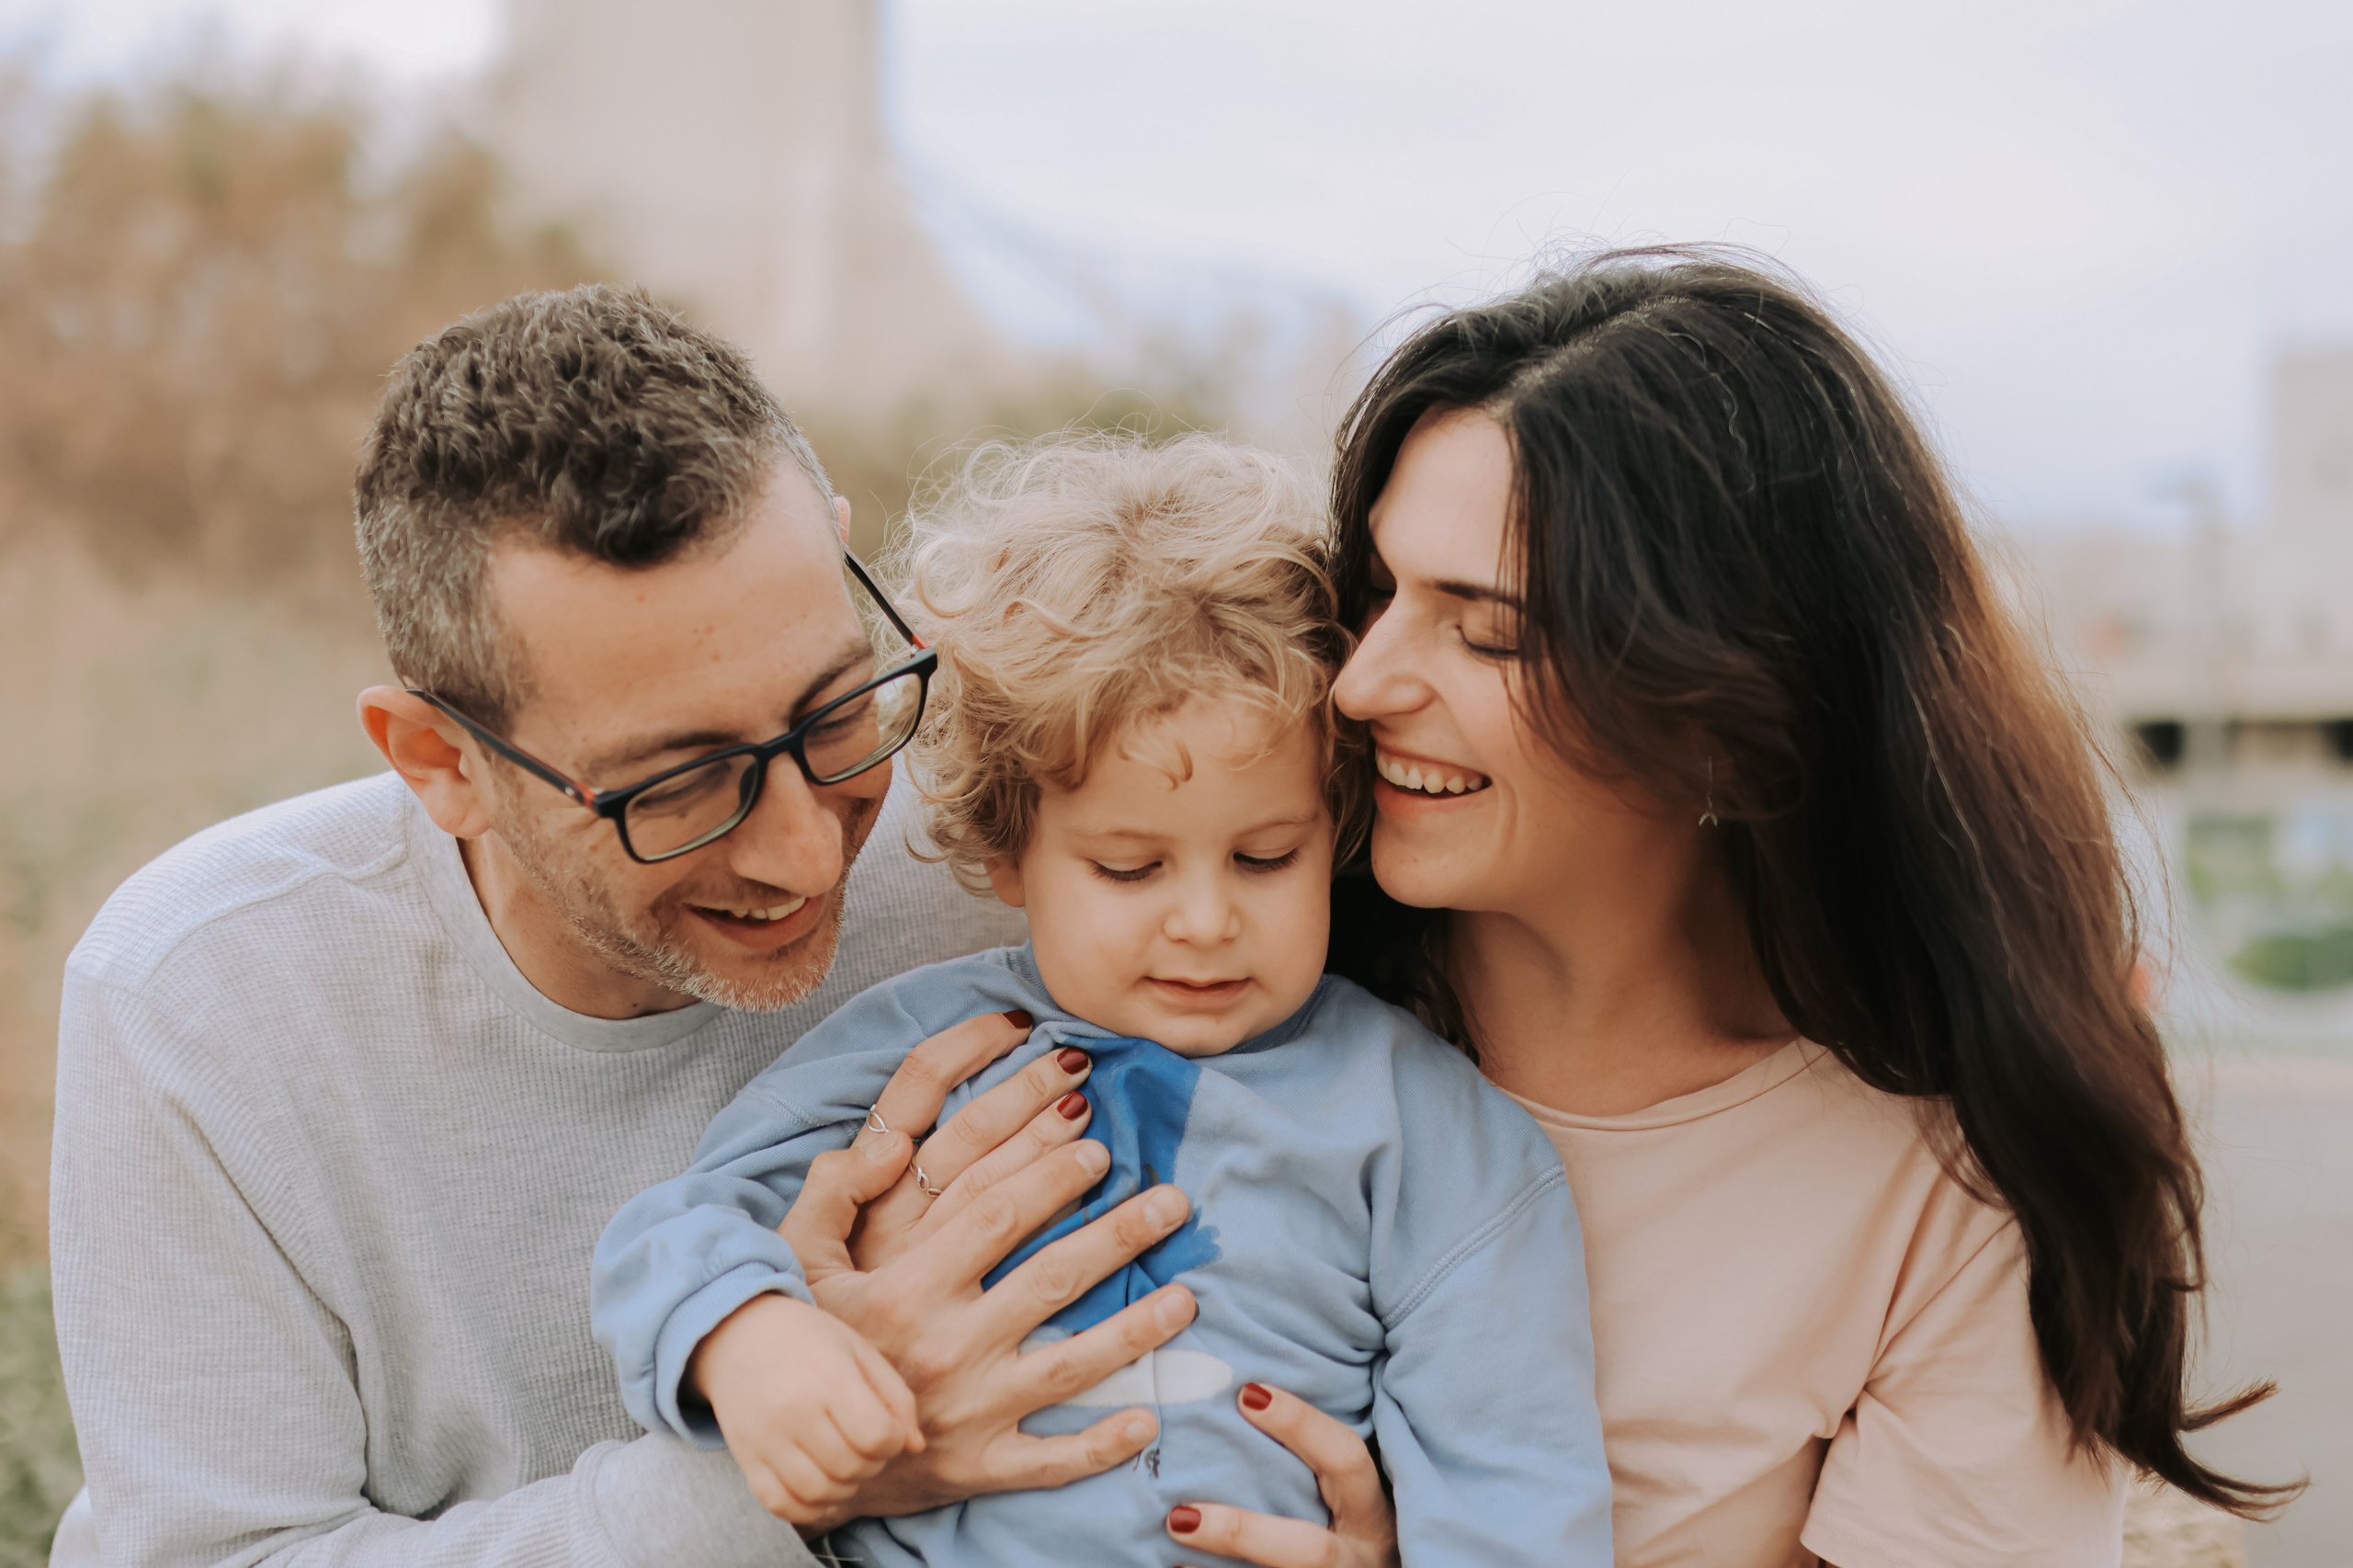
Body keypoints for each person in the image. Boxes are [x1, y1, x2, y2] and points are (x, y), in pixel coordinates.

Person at [1140, 250, 2295, 1567]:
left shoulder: (1947, 1190)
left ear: (1730, 731)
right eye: (1383, 593)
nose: (1363, 684)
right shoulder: (1206, 960)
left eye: (1489, 629)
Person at [47, 286, 1208, 1568]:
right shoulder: (202, 995)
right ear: (439, 759)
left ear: (837, 555)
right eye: (677, 784)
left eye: (833, 712)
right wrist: (784, 1480)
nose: (807, 850)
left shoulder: (1021, 852)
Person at [590, 436, 1613, 1565]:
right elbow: (676, 1230)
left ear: (1338, 825)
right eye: (1130, 868)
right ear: (1007, 853)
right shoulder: (921, 1044)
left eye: (1266, 856)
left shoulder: (1430, 1131)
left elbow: (1513, 1485)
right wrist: (755, 1338)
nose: (1205, 920)